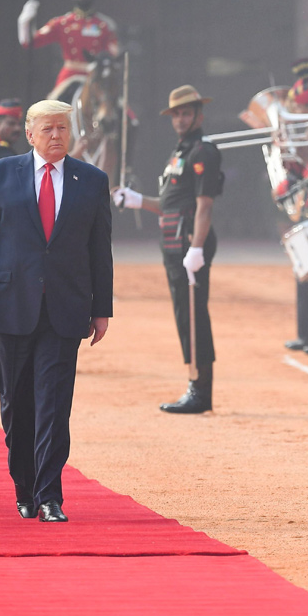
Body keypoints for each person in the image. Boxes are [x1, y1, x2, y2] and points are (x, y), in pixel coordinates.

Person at [0, 99, 113, 523]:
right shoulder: (0, 174)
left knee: (54, 404)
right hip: (9, 307)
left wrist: (102, 309)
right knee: (15, 403)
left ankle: (50, 496)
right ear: (28, 134)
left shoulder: (92, 181)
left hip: (66, 309)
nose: (56, 136)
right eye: (47, 129)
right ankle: (23, 486)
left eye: (63, 128)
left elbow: (100, 251)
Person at [112, 85, 223, 413]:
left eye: (186, 113)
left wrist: (198, 248)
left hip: (190, 241)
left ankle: (200, 389)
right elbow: (168, 204)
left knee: (194, 316)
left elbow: (204, 206)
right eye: (175, 114)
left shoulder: (203, 152)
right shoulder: (179, 154)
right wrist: (136, 201)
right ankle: (195, 384)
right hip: (174, 242)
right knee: (183, 314)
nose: (180, 119)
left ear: (199, 116)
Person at [17, 0, 120, 102]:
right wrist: (25, 22)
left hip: (97, 78)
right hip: (70, 76)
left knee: (119, 110)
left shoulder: (105, 25)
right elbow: (30, 42)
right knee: (51, 110)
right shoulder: (62, 23)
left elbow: (114, 53)